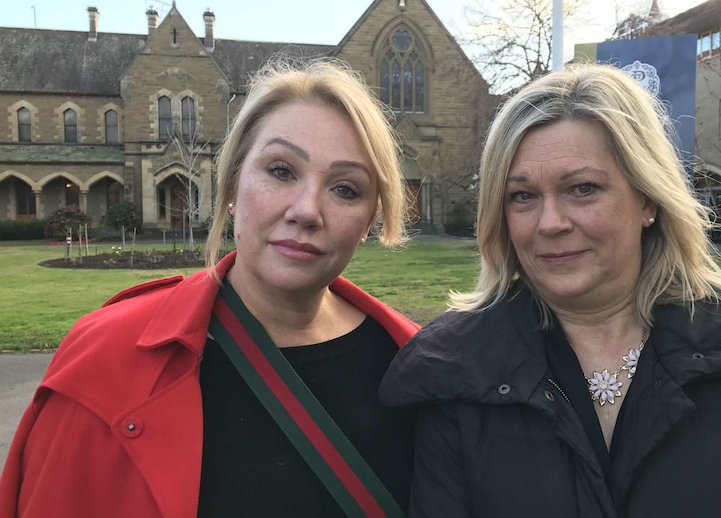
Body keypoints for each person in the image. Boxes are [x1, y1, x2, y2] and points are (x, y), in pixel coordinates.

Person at [379, 63, 721, 517]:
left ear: (648, 197)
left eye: (583, 188)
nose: (551, 223)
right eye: (522, 196)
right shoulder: (457, 374)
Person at [1, 59, 419, 518]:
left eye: (345, 189)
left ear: (369, 220)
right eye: (281, 170)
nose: (306, 211)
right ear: (232, 185)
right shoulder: (102, 359)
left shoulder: (417, 368)